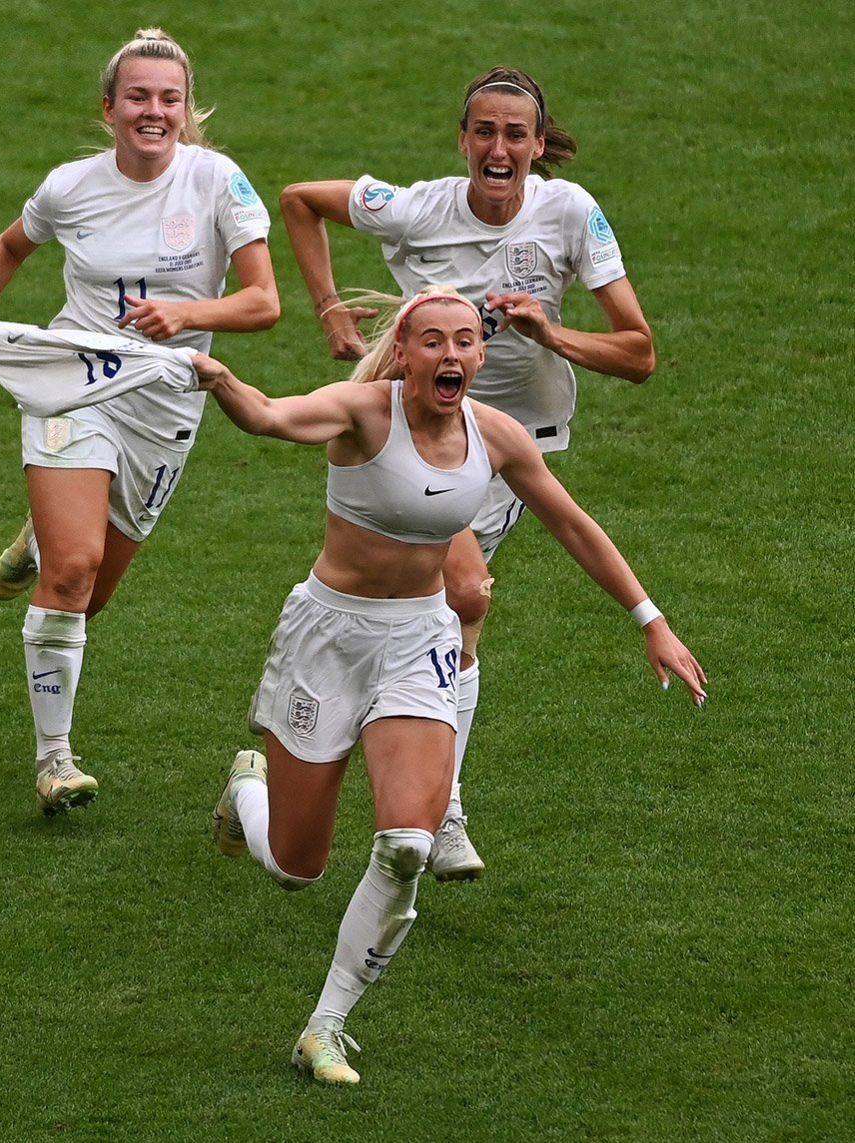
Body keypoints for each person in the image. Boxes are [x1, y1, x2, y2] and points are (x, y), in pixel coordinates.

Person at [196, 287, 706, 1085]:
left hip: (419, 639)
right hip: (328, 636)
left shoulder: (494, 435)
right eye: (433, 341)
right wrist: (221, 381)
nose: (452, 355)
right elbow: (269, 416)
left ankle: (325, 1025)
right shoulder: (361, 412)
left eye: (466, 341)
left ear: (480, 354)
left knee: (406, 845)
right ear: (404, 351)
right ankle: (246, 793)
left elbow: (572, 522)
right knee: (297, 865)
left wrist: (651, 619)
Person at [278, 67, 655, 880]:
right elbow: (300, 200)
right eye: (483, 131)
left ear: (536, 144)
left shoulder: (570, 213)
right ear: (462, 140)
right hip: (408, 434)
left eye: (515, 134)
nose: (498, 147)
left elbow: (638, 354)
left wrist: (551, 335)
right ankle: (433, 807)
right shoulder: (414, 208)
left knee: (450, 604)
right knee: (462, 597)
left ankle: (382, 768)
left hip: (511, 444)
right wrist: (329, 310)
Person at [0, 29, 279, 814]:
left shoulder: (218, 182)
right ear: (109, 108)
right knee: (70, 574)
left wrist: (188, 313)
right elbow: (7, 246)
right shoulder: (71, 186)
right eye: (137, 97)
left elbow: (263, 303)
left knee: (87, 594)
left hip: (165, 404)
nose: (153, 111)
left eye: (168, 99)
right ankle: (54, 759)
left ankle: (41, 531)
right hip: (72, 386)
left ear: (185, 110)